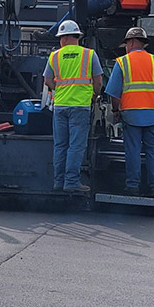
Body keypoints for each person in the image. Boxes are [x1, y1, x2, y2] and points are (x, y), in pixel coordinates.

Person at [105, 26, 154, 197]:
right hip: (152, 114)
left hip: (130, 114)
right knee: (153, 151)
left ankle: (133, 187)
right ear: (143, 44)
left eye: (126, 44)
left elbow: (114, 93)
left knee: (133, 151)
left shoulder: (122, 62)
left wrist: (115, 110)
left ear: (131, 43)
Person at [43, 20, 103, 192]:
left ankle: (58, 182)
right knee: (76, 146)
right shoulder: (89, 55)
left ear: (64, 38)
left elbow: (47, 80)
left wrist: (60, 89)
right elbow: (98, 81)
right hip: (80, 106)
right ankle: (71, 182)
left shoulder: (54, 56)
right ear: (77, 36)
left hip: (60, 106)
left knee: (60, 145)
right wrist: (94, 96)